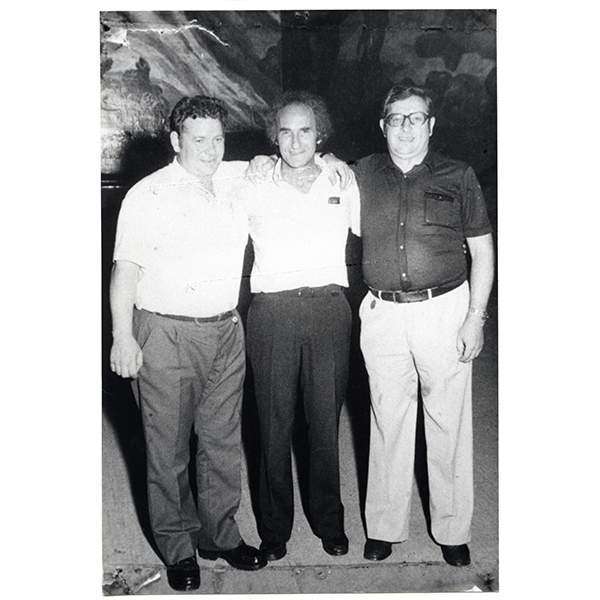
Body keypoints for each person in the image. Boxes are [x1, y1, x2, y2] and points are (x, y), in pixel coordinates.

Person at [109, 95, 267, 591]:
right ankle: (178, 547)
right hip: (166, 333)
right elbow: (125, 271)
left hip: (225, 329)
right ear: (176, 141)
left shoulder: (235, 181)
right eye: (199, 140)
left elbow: (278, 162)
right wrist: (122, 336)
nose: (211, 149)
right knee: (168, 450)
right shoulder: (147, 194)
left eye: (218, 139)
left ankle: (219, 534)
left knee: (222, 444)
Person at [353, 85, 495, 566]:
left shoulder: (459, 175)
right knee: (386, 418)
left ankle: (453, 529)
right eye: (397, 119)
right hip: (383, 314)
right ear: (383, 125)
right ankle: (385, 527)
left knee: (448, 421)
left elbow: (483, 252)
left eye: (417, 119)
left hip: (445, 311)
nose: (407, 128)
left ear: (431, 125)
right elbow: (306, 174)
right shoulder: (360, 174)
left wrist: (475, 318)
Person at [242, 91, 360, 561]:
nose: (295, 141)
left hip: (329, 311)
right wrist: (251, 161)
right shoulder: (251, 180)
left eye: (305, 131)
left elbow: (370, 226)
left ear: (320, 135)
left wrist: (341, 163)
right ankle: (274, 529)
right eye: (285, 131)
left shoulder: (342, 179)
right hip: (271, 314)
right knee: (272, 426)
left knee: (323, 424)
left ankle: (329, 521)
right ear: (275, 135)